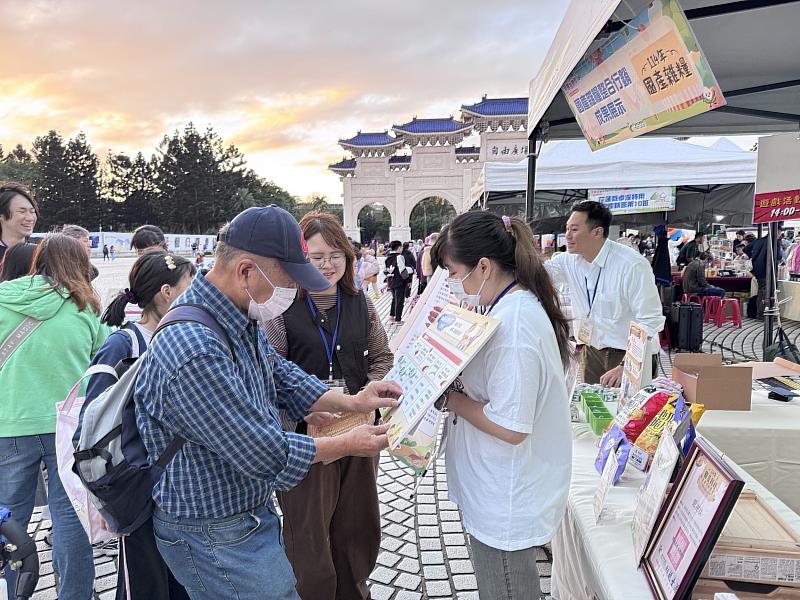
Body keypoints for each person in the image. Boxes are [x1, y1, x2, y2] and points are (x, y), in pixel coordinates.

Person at [133, 205, 402, 599]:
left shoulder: (234, 314)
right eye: (289, 279)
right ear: (246, 271)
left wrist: (351, 401)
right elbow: (261, 451)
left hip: (242, 511)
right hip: (213, 527)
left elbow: (279, 373)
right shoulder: (194, 347)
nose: (294, 290)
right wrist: (347, 444)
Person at [431, 212, 572, 600]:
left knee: (506, 589)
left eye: (452, 271)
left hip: (505, 493)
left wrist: (451, 399)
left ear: (483, 266)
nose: (451, 283)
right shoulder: (506, 308)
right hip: (493, 486)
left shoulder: (515, 326)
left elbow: (511, 426)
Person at [264, 212, 393, 600]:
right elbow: (269, 374)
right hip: (306, 443)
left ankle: (355, 591)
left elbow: (382, 356)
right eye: (317, 256)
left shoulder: (361, 304)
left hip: (358, 434)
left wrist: (369, 393)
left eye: (337, 255)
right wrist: (303, 408)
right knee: (309, 535)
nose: (328, 264)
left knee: (358, 525)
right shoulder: (281, 310)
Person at [80, 251, 195, 600]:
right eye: (189, 287)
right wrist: (101, 500)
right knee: (145, 585)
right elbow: (91, 425)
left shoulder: (185, 337)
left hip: (183, 487)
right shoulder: (123, 344)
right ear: (167, 292)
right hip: (141, 488)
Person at [0, 234, 108, 600]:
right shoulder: (85, 306)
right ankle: (76, 594)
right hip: (68, 429)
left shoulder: (3, 297)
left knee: (10, 521)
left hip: (10, 423)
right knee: (71, 520)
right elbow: (105, 357)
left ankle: (12, 591)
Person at [546, 201, 664, 386]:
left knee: (630, 413)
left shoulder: (632, 265)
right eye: (567, 229)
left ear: (597, 232)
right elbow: (537, 275)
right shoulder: (569, 261)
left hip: (627, 355)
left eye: (574, 229)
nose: (567, 236)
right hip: (591, 351)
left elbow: (651, 320)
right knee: (591, 409)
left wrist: (627, 365)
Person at [744, 232, 783, 319]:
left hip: (757, 270)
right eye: (780, 233)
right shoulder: (774, 241)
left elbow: (745, 249)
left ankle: (759, 313)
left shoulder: (758, 240)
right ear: (777, 231)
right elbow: (779, 256)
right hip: (768, 270)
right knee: (767, 292)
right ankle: (763, 314)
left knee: (761, 291)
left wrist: (754, 257)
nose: (780, 235)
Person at [0, 182, 38, 264]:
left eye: (32, 211)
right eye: (22, 212)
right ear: (1, 216)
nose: (30, 218)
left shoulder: (39, 254)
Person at [385, 240, 408, 324]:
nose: (402, 248)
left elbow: (385, 270)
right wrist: (407, 279)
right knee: (400, 300)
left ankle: (392, 315)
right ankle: (398, 319)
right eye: (401, 247)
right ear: (398, 248)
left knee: (394, 298)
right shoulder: (399, 257)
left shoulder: (387, 257)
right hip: (399, 281)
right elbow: (402, 270)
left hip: (391, 280)